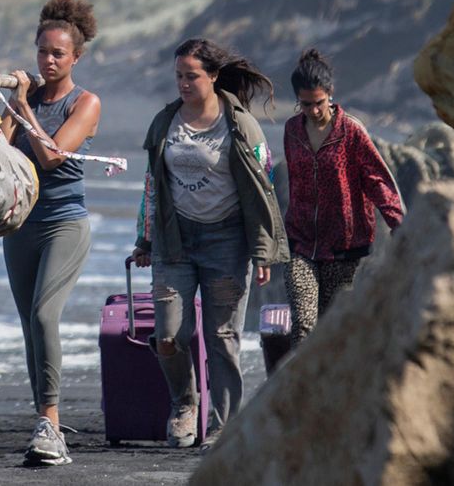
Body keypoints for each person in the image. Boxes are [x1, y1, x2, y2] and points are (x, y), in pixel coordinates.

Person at [131, 38, 288, 450]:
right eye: (179, 76)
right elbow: (152, 185)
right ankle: (185, 404)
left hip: (227, 242)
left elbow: (263, 187)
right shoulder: (165, 122)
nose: (183, 84)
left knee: (223, 338)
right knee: (168, 335)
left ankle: (223, 426)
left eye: (192, 76)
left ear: (214, 76)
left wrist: (264, 250)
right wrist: (145, 239)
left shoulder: (239, 125)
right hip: (174, 240)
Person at [0, 0, 101, 467]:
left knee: (44, 315)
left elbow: (53, 155)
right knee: (29, 327)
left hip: (64, 223)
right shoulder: (28, 98)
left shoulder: (87, 102)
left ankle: (52, 426)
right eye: (43, 52)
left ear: (76, 57)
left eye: (58, 53)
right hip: (21, 224)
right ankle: (46, 423)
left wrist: (23, 106)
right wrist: (4, 102)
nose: (49, 60)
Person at [282, 48, 403, 348]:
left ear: (331, 94)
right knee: (303, 325)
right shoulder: (291, 131)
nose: (312, 110)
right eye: (305, 104)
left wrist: (400, 223)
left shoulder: (351, 131)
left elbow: (377, 180)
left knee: (332, 329)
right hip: (300, 242)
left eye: (319, 103)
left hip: (345, 246)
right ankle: (304, 392)